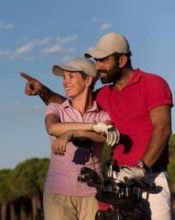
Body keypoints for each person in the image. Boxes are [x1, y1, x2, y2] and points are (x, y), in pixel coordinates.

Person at [21, 32, 173, 219]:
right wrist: (42, 91)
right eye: (96, 61)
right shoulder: (104, 95)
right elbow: (71, 105)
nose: (98, 67)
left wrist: (141, 169)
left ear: (122, 60)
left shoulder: (153, 83)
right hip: (118, 181)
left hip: (151, 178)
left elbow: (163, 128)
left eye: (103, 61)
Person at [41, 58, 119, 220]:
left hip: (93, 195)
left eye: (71, 77)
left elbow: (104, 136)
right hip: (57, 195)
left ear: (88, 80)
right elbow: (52, 128)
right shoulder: (56, 108)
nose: (65, 82)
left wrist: (72, 133)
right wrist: (91, 126)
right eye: (64, 77)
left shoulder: (103, 115)